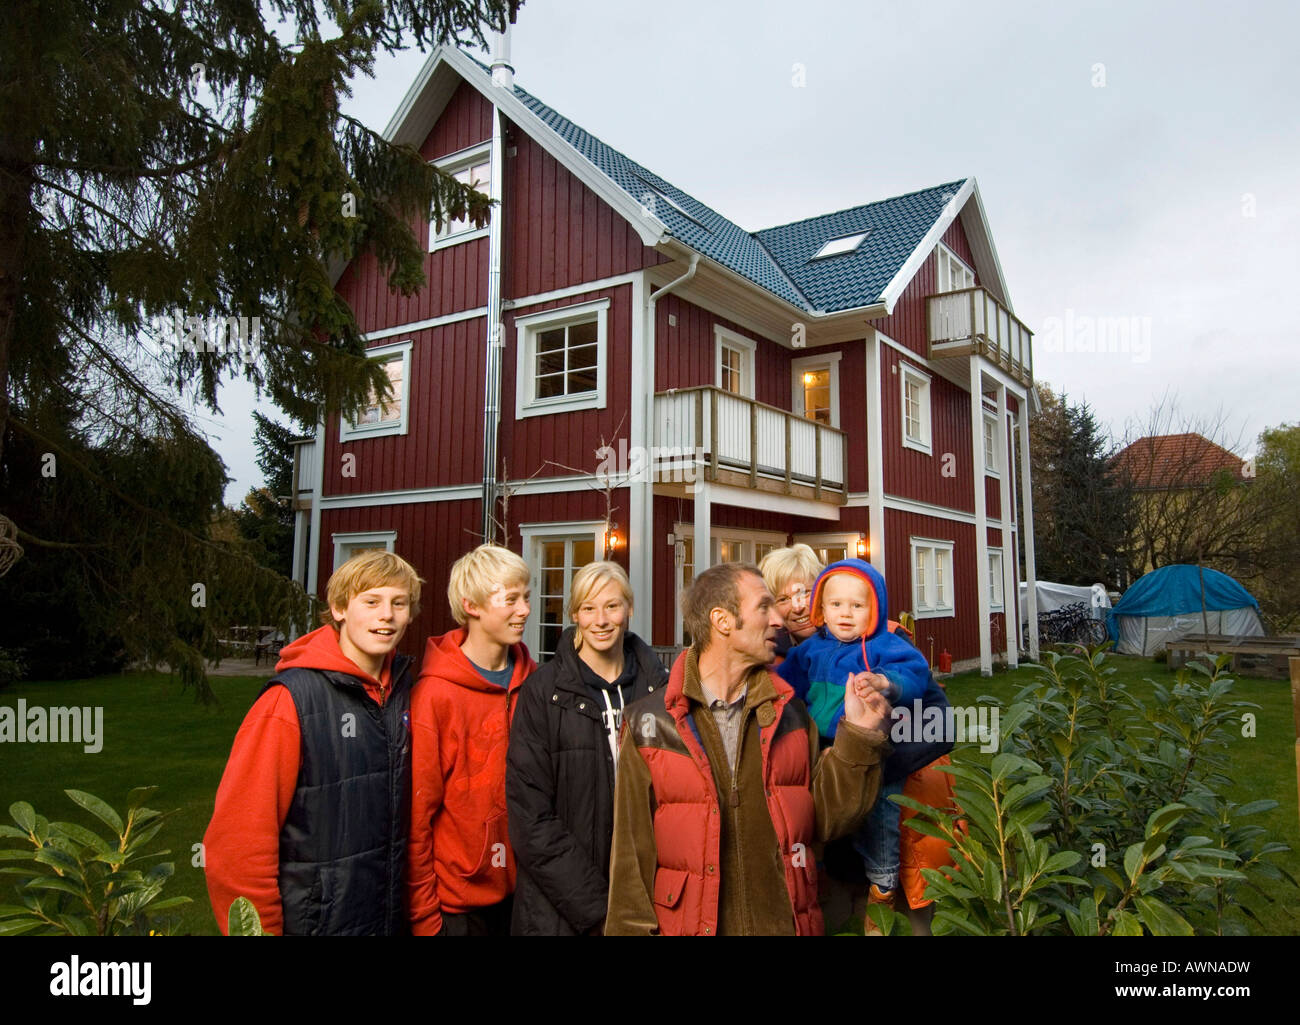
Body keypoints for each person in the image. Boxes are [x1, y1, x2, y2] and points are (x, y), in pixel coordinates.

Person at [605, 562, 892, 936]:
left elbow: (826, 820)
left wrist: (858, 735)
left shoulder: (790, 714)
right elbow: (630, 862)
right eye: (763, 607)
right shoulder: (650, 723)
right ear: (723, 621)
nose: (780, 619)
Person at [203, 549, 422, 935]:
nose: (386, 615)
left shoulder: (406, 693)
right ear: (339, 609)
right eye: (371, 602)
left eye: (398, 603)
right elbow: (238, 846)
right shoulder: (289, 702)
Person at [506, 561, 667, 935]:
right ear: (575, 613)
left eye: (612, 606)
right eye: (589, 608)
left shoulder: (658, 690)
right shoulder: (543, 692)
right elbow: (530, 816)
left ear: (629, 609)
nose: (601, 619)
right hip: (560, 907)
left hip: (646, 897)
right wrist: (598, 909)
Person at [776, 557, 932, 933]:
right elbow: (783, 683)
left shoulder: (885, 645)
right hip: (823, 747)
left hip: (876, 750)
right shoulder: (809, 651)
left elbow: (917, 675)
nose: (845, 614)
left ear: (874, 608)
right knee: (820, 814)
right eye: (835, 605)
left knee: (881, 815)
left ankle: (883, 881)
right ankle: (823, 877)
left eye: (857, 606)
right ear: (822, 609)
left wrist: (886, 684)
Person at [408, 543, 536, 936]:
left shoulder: (534, 684)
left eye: (526, 598)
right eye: (511, 599)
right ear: (473, 605)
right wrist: (427, 921)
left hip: (527, 893)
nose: (525, 610)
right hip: (457, 906)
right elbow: (417, 817)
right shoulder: (435, 694)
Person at [759, 543, 822, 664]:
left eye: (804, 593)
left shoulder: (854, 643)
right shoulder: (767, 658)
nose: (797, 608)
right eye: (783, 599)